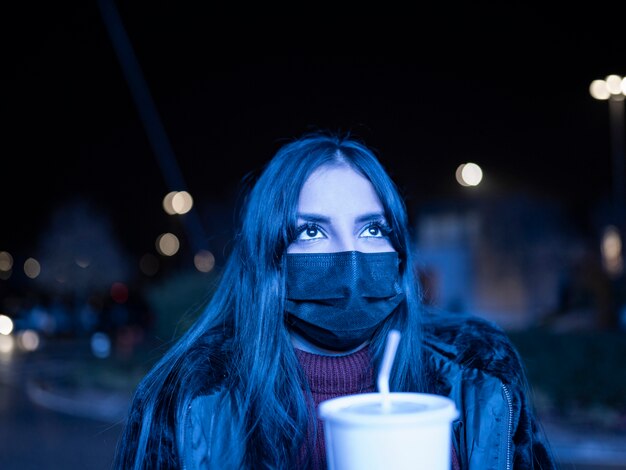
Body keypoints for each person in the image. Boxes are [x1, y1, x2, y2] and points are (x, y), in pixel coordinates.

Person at [114, 131, 557, 469]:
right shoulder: (187, 397)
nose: (351, 256)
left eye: (372, 230)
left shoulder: (478, 371)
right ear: (267, 256)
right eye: (312, 231)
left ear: (399, 249)